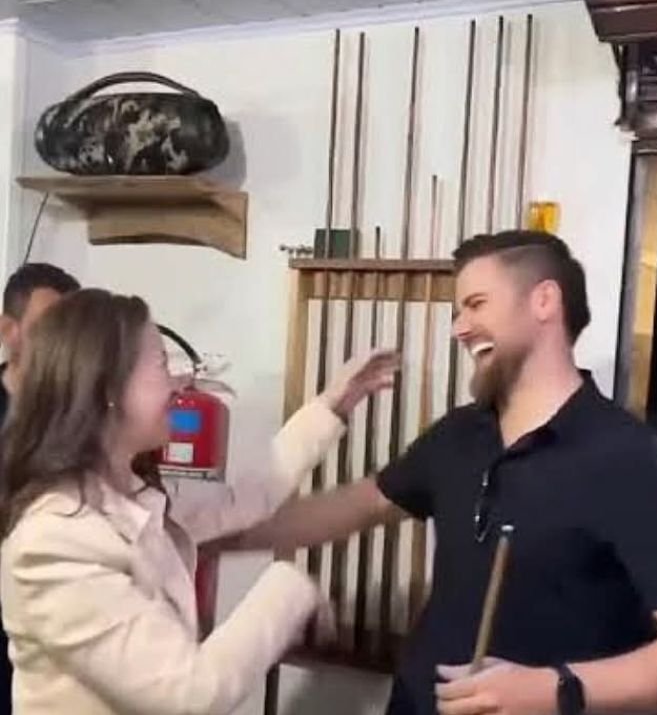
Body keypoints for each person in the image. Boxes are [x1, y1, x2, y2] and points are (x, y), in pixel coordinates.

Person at [225, 230, 657, 715]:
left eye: (476, 304)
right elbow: (360, 503)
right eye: (457, 312)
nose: (460, 328)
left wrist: (554, 690)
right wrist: (216, 537)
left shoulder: (630, 459)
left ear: (544, 301)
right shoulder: (460, 433)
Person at [0, 288, 399, 715]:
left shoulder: (131, 493)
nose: (178, 383)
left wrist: (332, 405)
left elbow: (244, 498)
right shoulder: (54, 541)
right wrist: (291, 589)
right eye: (160, 363)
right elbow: (189, 693)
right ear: (108, 390)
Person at [0, 262, 79, 712]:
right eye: (47, 329)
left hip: (54, 636)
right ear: (8, 331)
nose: (60, 347)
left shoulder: (81, 423)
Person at [0, 262, 80, 422]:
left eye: (74, 327)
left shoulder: (86, 410)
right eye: (49, 326)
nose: (65, 339)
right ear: (8, 330)